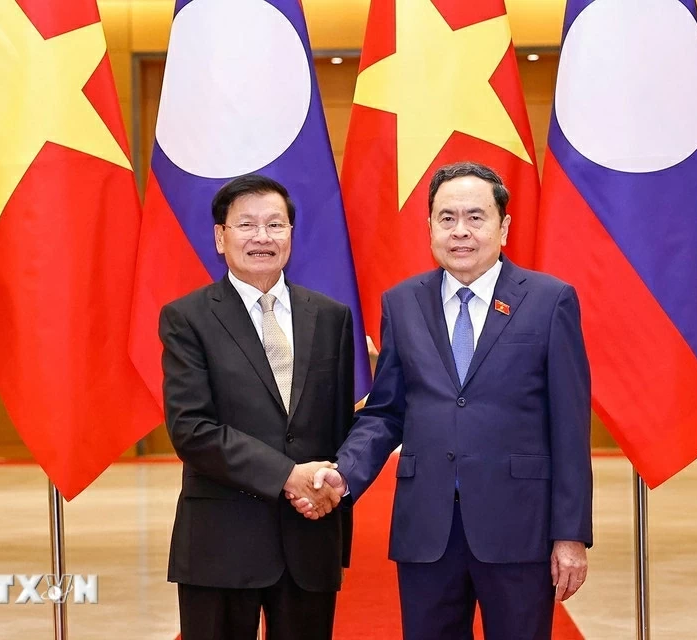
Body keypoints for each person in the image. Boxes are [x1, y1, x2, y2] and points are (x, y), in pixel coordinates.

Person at [292, 162, 592, 640]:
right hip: (426, 527)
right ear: (429, 226)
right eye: (446, 217)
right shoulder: (402, 302)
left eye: (476, 217)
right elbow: (387, 411)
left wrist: (571, 533)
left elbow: (571, 428)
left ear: (504, 226)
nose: (461, 231)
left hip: (519, 526)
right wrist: (343, 473)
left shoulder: (549, 300)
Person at [160, 174, 354, 640]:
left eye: (276, 225)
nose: (262, 237)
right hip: (221, 541)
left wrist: (331, 495)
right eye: (246, 225)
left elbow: (339, 429)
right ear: (220, 237)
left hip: (309, 536)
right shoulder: (187, 318)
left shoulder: (331, 317)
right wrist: (287, 475)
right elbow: (192, 430)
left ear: (291, 234)